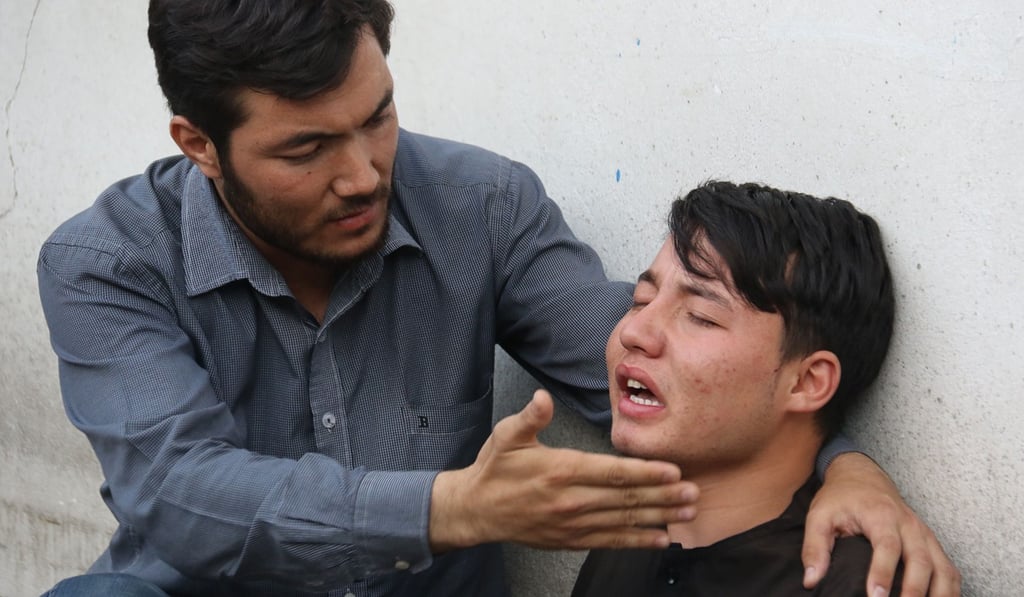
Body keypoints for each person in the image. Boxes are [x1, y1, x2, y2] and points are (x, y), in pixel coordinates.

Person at [36, 2, 957, 596]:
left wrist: (844, 464)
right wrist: (452, 510)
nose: (364, 175)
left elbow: (655, 369)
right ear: (200, 143)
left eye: (378, 117)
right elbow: (180, 493)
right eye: (307, 149)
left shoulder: (482, 205)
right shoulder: (106, 262)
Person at [572, 181, 910, 596]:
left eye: (699, 315)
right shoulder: (628, 535)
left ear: (806, 382)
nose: (634, 331)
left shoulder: (856, 584)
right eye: (642, 300)